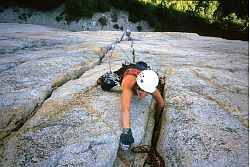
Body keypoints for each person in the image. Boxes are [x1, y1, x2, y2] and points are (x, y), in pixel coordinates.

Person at [97, 61, 165, 151]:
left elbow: (161, 103)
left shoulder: (149, 86)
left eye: (147, 93)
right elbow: (125, 110)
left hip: (143, 71)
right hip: (127, 70)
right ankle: (102, 78)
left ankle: (141, 65)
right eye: (142, 91)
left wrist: (157, 118)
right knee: (105, 85)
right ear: (137, 86)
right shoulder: (128, 85)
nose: (144, 95)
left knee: (150, 72)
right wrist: (126, 132)